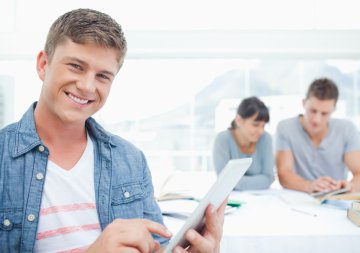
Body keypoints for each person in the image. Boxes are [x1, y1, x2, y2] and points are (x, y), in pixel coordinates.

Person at [0, 8, 226, 253]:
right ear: (43, 65)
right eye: (76, 66)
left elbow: (156, 247)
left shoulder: (130, 159)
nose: (87, 86)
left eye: (103, 76)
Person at [275, 78, 360, 193]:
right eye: (313, 111)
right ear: (304, 103)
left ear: (334, 109)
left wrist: (350, 186)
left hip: (335, 198)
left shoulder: (347, 129)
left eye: (324, 113)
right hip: (300, 198)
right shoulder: (286, 128)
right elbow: (284, 174)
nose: (317, 120)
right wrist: (309, 186)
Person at [213, 96, 274, 190]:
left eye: (263, 125)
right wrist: (258, 182)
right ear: (239, 120)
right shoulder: (222, 139)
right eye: (255, 125)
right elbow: (224, 181)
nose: (261, 131)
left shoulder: (266, 139)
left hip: (262, 199)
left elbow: (269, 178)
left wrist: (236, 183)